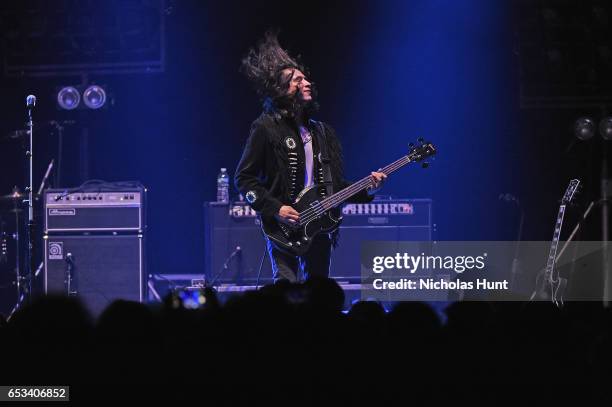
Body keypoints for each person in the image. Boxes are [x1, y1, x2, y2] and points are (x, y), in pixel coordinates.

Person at [235, 32, 386, 282]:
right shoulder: (266, 127)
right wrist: (276, 208)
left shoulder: (321, 131)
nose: (306, 83)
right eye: (297, 80)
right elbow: (244, 178)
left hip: (320, 223)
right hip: (284, 225)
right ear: (281, 90)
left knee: (319, 290)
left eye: (305, 78)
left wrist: (369, 187)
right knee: (286, 289)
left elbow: (335, 188)